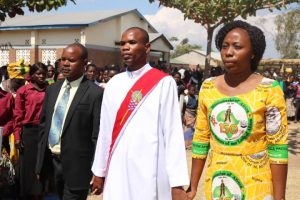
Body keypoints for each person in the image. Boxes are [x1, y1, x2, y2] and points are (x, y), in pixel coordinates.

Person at [187, 20, 288, 200]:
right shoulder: (208, 87)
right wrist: (193, 186)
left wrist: (280, 197)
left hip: (256, 184)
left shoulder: (269, 89)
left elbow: (277, 146)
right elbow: (201, 137)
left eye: (237, 47)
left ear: (253, 53)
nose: (229, 52)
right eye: (224, 46)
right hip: (218, 183)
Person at [91, 27, 189, 200]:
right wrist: (99, 171)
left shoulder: (163, 83)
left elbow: (172, 133)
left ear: (147, 47)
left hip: (150, 168)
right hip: (117, 167)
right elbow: (105, 131)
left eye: (132, 42)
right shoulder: (114, 83)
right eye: (122, 44)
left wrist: (177, 182)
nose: (125, 47)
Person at [35, 43, 103, 200]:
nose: (65, 64)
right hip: (52, 163)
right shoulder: (52, 90)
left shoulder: (95, 94)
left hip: (78, 168)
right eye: (63, 59)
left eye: (71, 60)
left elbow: (97, 136)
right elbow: (44, 128)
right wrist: (40, 164)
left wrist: (97, 171)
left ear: (85, 63)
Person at [13, 62, 48, 199]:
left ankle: (40, 193)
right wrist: (17, 136)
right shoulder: (24, 91)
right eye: (38, 73)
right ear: (32, 75)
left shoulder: (50, 89)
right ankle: (27, 194)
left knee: (42, 164)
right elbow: (18, 114)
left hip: (44, 131)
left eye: (43, 74)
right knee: (28, 166)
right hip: (28, 132)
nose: (41, 76)